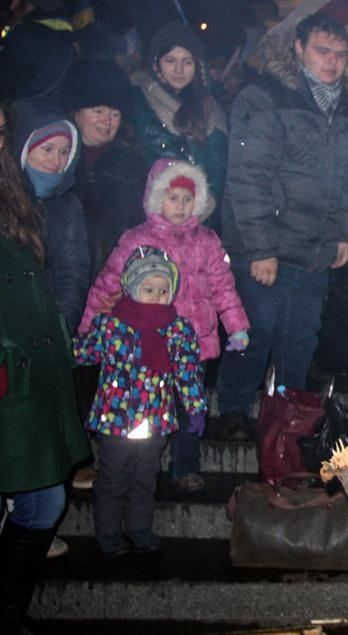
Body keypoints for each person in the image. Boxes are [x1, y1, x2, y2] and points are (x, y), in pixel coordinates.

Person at [217, 12, 348, 440]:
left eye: (340, 54)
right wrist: (260, 248)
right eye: (322, 51)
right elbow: (249, 175)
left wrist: (344, 232)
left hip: (312, 247)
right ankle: (235, 408)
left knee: (299, 340)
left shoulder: (342, 105)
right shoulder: (264, 97)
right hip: (266, 246)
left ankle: (287, 417)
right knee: (255, 334)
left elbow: (347, 177)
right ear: (299, 48)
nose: (332, 62)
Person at [79, 159, 249, 490]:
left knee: (190, 405)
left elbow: (223, 286)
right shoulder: (135, 240)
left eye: (188, 199)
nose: (181, 207)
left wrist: (237, 325)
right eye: (173, 198)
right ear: (156, 197)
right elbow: (108, 285)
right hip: (143, 343)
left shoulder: (207, 241)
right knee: (145, 403)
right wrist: (89, 328)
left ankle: (184, 466)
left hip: (192, 342)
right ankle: (140, 465)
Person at [0, 141, 91, 633]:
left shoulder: (16, 195)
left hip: (31, 370)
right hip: (10, 367)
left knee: (44, 502)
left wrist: (57, 331)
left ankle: (10, 613)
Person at [74, 247, 207, 557]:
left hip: (156, 420)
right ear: (133, 288)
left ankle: (139, 527)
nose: (156, 296)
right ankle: (108, 531)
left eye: (163, 290)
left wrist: (196, 408)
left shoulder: (177, 330)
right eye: (148, 289)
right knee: (113, 478)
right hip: (116, 419)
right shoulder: (110, 326)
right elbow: (82, 353)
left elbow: (187, 371)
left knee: (145, 477)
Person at [133, 21, 229, 231]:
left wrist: (200, 209)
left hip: (201, 222)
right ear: (156, 63)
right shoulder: (139, 104)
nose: (178, 70)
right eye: (170, 60)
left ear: (198, 66)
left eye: (187, 62)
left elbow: (217, 167)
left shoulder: (211, 109)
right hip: (148, 224)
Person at [61, 58, 150, 279]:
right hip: (63, 276)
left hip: (112, 280)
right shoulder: (57, 158)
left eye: (115, 113)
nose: (107, 120)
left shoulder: (134, 165)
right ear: (76, 112)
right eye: (98, 110)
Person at [11, 102, 88, 328]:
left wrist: (61, 329)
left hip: (46, 324)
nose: (56, 161)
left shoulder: (68, 206)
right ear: (25, 149)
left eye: (64, 152)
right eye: (47, 149)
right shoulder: (8, 197)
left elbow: (73, 275)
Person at [0, 0, 74, 103]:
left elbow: (4, 80)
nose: (12, 6)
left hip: (21, 115)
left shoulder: (26, 34)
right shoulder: (65, 33)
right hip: (49, 114)